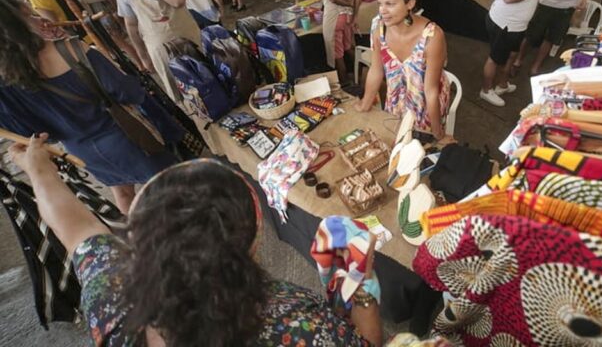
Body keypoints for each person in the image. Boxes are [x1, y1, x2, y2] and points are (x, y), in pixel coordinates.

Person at [7, 147, 385, 346]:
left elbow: (76, 229)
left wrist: (38, 168)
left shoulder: (114, 299)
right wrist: (360, 278)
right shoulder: (299, 328)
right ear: (250, 248)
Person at [0, 0, 182, 214]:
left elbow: (30, 132)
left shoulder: (6, 82)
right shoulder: (72, 49)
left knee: (123, 192)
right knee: (174, 185)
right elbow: (128, 92)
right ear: (18, 15)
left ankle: (140, 231)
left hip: (80, 150)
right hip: (124, 138)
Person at [356, 0, 452, 142]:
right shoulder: (379, 31)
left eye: (390, 4)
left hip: (427, 106)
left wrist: (438, 132)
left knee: (422, 149)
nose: (382, 10)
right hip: (396, 102)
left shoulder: (432, 37)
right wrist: (365, 103)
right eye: (380, 4)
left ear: (410, 4)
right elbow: (376, 70)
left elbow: (431, 90)